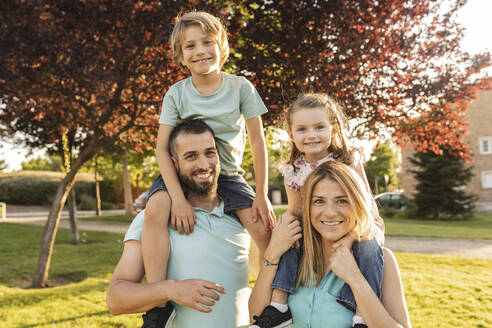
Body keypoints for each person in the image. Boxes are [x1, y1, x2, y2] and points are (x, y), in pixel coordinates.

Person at [141, 11, 274, 327]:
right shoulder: (176, 93)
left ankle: (274, 302)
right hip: (185, 174)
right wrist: (178, 198)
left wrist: (262, 193)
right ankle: (159, 303)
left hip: (227, 175)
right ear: (180, 56)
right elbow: (162, 148)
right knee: (155, 207)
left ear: (222, 45)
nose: (200, 51)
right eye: (190, 46)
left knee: (263, 229)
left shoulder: (241, 87)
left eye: (207, 42)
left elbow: (258, 143)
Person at [251, 93, 385, 327]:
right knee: (290, 236)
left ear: (333, 128)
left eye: (319, 127)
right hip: (312, 231)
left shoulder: (348, 161)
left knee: (370, 248)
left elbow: (368, 210)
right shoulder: (293, 171)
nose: (311, 135)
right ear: (291, 135)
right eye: (302, 129)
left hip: (361, 228)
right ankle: (279, 305)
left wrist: (352, 237)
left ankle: (361, 316)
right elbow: (294, 210)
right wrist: (284, 234)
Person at [107, 119, 251, 327]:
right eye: (191, 156)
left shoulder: (242, 216)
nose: (204, 164)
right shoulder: (153, 219)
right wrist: (171, 289)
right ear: (174, 163)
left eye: (209, 153)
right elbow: (116, 299)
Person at [249, 161, 411, 328]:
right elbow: (255, 318)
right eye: (319, 201)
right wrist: (272, 253)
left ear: (358, 205)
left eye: (342, 201)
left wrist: (355, 279)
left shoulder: (380, 261)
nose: (330, 212)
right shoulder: (293, 255)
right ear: (308, 207)